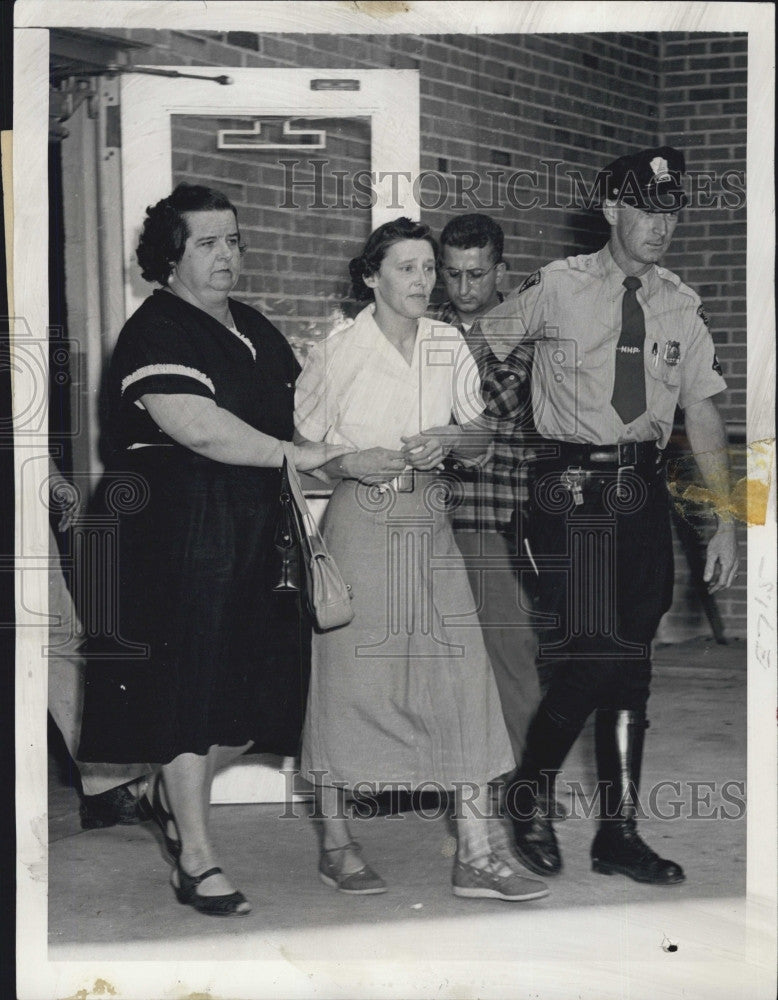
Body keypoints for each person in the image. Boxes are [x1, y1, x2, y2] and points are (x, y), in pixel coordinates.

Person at [77, 184, 345, 916]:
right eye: (207, 243)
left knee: (264, 697)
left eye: (233, 240)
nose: (227, 255)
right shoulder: (157, 329)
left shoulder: (253, 325)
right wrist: (296, 455)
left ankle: (167, 792)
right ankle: (195, 861)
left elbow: (304, 410)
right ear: (169, 256)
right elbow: (198, 427)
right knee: (186, 692)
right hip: (174, 529)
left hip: (253, 524)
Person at [476, 147, 739, 885]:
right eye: (647, 209)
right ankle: (528, 793)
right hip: (569, 495)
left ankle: (617, 835)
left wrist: (723, 517)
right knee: (592, 653)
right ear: (611, 210)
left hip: (643, 496)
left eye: (671, 210)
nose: (662, 225)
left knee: (630, 667)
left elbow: (704, 411)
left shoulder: (679, 303)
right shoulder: (557, 288)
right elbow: (476, 349)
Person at [294, 216, 548, 903]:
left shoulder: (447, 343)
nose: (422, 280)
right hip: (361, 522)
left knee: (464, 681)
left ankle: (477, 854)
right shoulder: (336, 351)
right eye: (405, 268)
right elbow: (301, 450)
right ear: (371, 277)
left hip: (432, 520)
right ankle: (338, 845)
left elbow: (482, 440)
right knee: (349, 686)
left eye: (427, 268)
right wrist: (351, 459)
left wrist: (450, 440)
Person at [433, 214, 547, 794]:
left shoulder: (524, 330)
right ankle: (458, 785)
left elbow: (492, 400)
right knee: (440, 660)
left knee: (509, 654)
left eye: (476, 275)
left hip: (496, 516)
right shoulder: (431, 328)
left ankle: (527, 790)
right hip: (431, 517)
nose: (464, 289)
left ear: (501, 271)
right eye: (451, 275)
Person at [47, 456, 150, 828]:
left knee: (60, 644)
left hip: (21, 521)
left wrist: (56, 483)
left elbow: (21, 438)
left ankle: (108, 784)